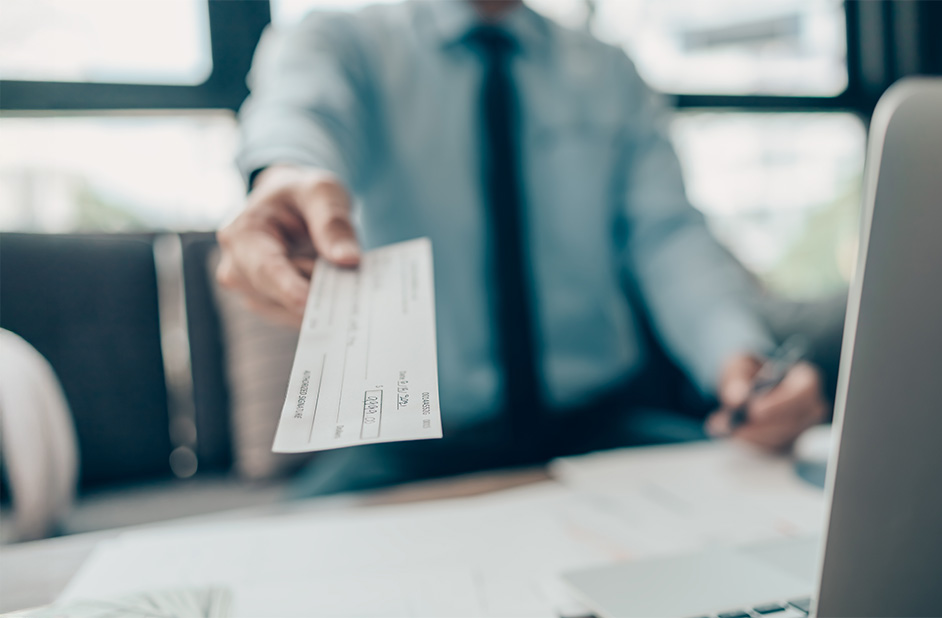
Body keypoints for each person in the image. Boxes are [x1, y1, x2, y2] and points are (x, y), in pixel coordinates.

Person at [218, 0, 829, 494]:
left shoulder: (608, 71)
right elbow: (297, 121)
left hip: (600, 422)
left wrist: (739, 357)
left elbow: (665, 234)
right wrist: (282, 176)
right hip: (408, 445)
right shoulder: (340, 44)